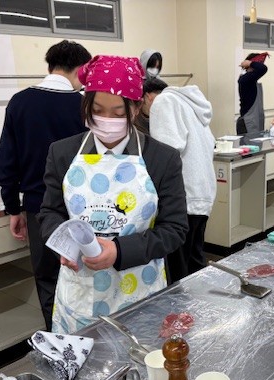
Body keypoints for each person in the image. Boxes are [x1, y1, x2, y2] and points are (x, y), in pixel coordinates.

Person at [37, 55, 188, 334]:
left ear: (136, 107)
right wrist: (64, 243)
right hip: (80, 292)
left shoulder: (161, 158)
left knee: (137, 356)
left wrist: (119, 250)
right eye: (97, 110)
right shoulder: (62, 153)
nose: (107, 120)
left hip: (139, 289)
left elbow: (175, 229)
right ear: (86, 106)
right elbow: (50, 211)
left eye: (118, 113)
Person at [0, 40, 91, 330]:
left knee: (48, 278)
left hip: (39, 209)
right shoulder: (84, 105)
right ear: (81, 69)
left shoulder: (20, 102)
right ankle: (93, 338)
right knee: (86, 275)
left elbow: (6, 162)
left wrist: (13, 208)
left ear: (50, 66)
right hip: (83, 209)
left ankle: (58, 340)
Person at [142, 78, 216, 282]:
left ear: (147, 96)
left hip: (182, 196)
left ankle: (182, 304)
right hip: (203, 192)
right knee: (195, 263)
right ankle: (200, 303)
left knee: (178, 270)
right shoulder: (190, 104)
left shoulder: (163, 102)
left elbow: (166, 153)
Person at [236, 52, 269, 134]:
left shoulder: (252, 80)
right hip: (247, 123)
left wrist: (250, 63)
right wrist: (249, 63)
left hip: (254, 121)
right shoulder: (245, 79)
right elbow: (263, 69)